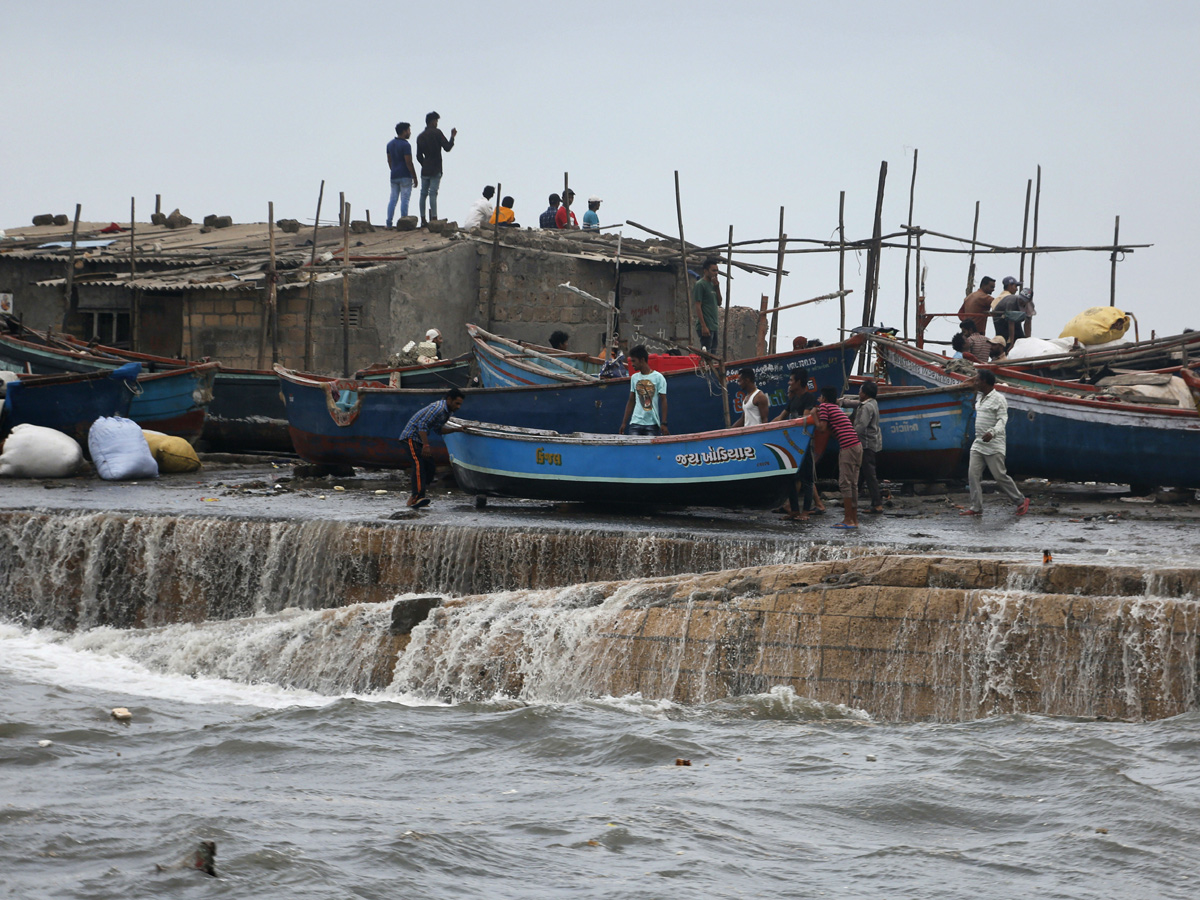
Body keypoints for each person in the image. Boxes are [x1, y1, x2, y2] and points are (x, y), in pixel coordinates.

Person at [960, 370, 1030, 517]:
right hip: (978, 443)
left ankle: (1020, 500)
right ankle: (976, 507)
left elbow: (1002, 420)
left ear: (985, 381)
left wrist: (992, 432)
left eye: (978, 380)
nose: (976, 382)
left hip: (994, 443)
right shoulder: (980, 397)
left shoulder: (999, 399)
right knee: (973, 475)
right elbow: (968, 384)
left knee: (999, 476)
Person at [397, 388, 465, 508]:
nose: (459, 407)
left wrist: (457, 429)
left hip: (419, 440)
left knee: (430, 466)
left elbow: (438, 430)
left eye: (460, 404)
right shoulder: (438, 408)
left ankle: (416, 495)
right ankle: (417, 497)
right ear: (449, 400)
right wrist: (426, 445)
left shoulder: (447, 412)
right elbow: (421, 425)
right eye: (457, 403)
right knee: (418, 465)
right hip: (410, 438)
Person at [772, 370, 822, 520]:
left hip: (804, 444)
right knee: (791, 478)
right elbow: (781, 417)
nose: (789, 383)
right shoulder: (793, 400)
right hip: (791, 445)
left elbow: (805, 419)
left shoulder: (808, 398)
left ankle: (805, 512)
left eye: (791, 380)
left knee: (806, 479)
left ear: (799, 382)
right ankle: (794, 510)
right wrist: (763, 427)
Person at [816, 386, 862, 529]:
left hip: (848, 446)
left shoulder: (824, 407)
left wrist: (813, 414)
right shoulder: (836, 409)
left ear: (823, 398)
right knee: (853, 484)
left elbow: (822, 428)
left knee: (844, 483)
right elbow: (833, 430)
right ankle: (854, 520)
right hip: (857, 445)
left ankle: (848, 520)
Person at [416, 111, 456, 226]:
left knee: (423, 193)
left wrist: (424, 164)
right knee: (433, 193)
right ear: (433, 122)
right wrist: (452, 137)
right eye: (436, 121)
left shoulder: (420, 137)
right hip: (436, 167)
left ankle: (423, 219)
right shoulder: (437, 133)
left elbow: (418, 156)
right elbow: (447, 147)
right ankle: (434, 218)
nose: (437, 123)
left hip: (425, 169)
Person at [618, 345, 667, 436]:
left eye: (634, 361)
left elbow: (663, 400)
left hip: (652, 424)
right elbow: (631, 400)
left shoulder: (659, 378)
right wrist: (624, 422)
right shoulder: (634, 378)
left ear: (642, 360)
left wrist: (664, 423)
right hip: (635, 423)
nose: (632, 364)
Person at [855, 380, 884, 513]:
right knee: (862, 472)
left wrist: (849, 435)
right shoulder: (873, 403)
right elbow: (856, 403)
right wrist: (843, 402)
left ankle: (877, 504)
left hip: (866, 444)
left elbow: (861, 425)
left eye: (860, 391)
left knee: (869, 474)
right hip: (873, 442)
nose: (859, 393)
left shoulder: (866, 407)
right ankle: (852, 500)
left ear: (865, 394)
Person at [385, 122, 418, 228]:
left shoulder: (390, 144)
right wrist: (414, 176)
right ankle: (404, 221)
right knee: (405, 198)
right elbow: (409, 162)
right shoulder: (406, 145)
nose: (410, 132)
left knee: (393, 199)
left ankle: (389, 223)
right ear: (404, 131)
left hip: (394, 174)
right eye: (408, 130)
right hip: (405, 175)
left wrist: (393, 169)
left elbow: (389, 160)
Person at [692, 257, 721, 354]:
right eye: (713, 270)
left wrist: (717, 288)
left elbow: (719, 302)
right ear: (705, 271)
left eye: (717, 270)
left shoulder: (713, 284)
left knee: (713, 354)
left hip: (714, 326)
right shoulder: (700, 284)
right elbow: (698, 306)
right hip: (706, 327)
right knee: (706, 354)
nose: (716, 273)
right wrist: (704, 326)